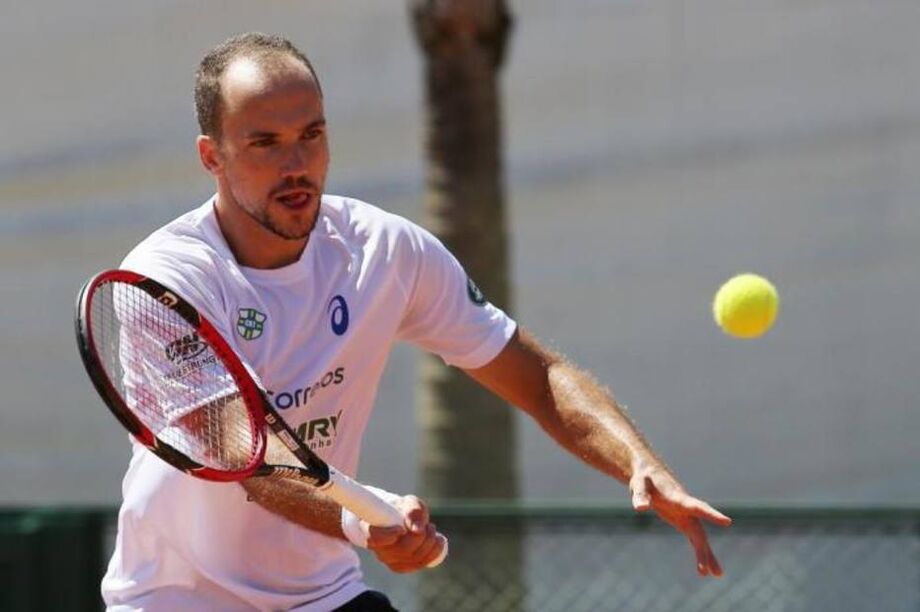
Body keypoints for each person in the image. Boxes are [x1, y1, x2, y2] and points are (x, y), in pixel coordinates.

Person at [101, 32, 731, 611]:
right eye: (265, 143)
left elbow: (538, 379)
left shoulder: (384, 250)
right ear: (212, 156)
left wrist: (638, 462)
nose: (296, 163)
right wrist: (363, 519)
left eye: (311, 134)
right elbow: (246, 456)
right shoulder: (163, 280)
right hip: (173, 600)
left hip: (321, 595)